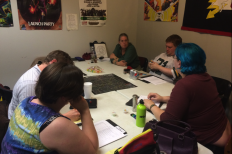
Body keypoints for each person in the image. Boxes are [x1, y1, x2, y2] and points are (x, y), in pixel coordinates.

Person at [144, 43, 231, 154]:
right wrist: (163, 98)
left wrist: (150, 105)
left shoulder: (184, 84)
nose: (174, 60)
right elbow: (192, 100)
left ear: (179, 63)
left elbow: (167, 121)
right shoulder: (206, 77)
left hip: (212, 144)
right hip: (225, 133)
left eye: (175, 58)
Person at [1, 63, 99, 154]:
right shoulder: (57, 125)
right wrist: (84, 110)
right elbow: (92, 150)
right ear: (68, 97)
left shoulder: (27, 101)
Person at [8, 50, 80, 121]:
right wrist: (65, 117)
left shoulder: (43, 75)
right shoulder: (31, 83)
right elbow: (29, 118)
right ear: (53, 62)